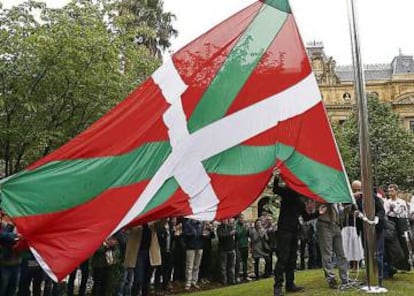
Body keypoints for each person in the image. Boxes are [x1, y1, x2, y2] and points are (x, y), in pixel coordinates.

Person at [272, 175, 320, 296]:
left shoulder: (299, 200)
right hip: (284, 230)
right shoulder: (288, 193)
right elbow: (276, 189)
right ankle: (277, 286)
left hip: (294, 231)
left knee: (292, 258)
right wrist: (277, 177)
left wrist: (318, 213)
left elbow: (305, 217)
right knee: (283, 258)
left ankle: (290, 284)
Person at [351, 180, 385, 286]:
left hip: (377, 229)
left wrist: (377, 218)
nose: (357, 192)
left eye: (359, 189)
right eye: (355, 190)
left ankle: (378, 279)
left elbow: (381, 210)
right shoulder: (354, 200)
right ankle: (369, 278)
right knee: (367, 255)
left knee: (377, 254)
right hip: (364, 230)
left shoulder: (372, 197)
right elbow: (349, 210)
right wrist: (355, 213)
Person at [317, 202, 349, 289]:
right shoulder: (323, 195)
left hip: (336, 225)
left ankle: (345, 278)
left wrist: (346, 208)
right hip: (324, 224)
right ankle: (331, 279)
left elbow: (340, 212)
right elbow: (316, 210)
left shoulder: (337, 199)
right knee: (327, 253)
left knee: (341, 253)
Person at [183, 218, 204, 291]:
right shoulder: (187, 223)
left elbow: (203, 234)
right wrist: (193, 233)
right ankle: (188, 283)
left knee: (197, 265)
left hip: (199, 246)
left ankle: (194, 281)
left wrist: (204, 234)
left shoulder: (200, 223)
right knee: (189, 266)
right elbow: (185, 234)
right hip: (190, 247)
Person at [235, 214, 250, 282]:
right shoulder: (236, 225)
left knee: (245, 261)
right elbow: (238, 235)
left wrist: (248, 229)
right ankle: (237, 276)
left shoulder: (245, 225)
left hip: (245, 245)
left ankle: (245, 276)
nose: (242, 219)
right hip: (238, 245)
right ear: (238, 218)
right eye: (241, 218)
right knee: (238, 261)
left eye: (243, 218)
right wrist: (244, 228)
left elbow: (248, 234)